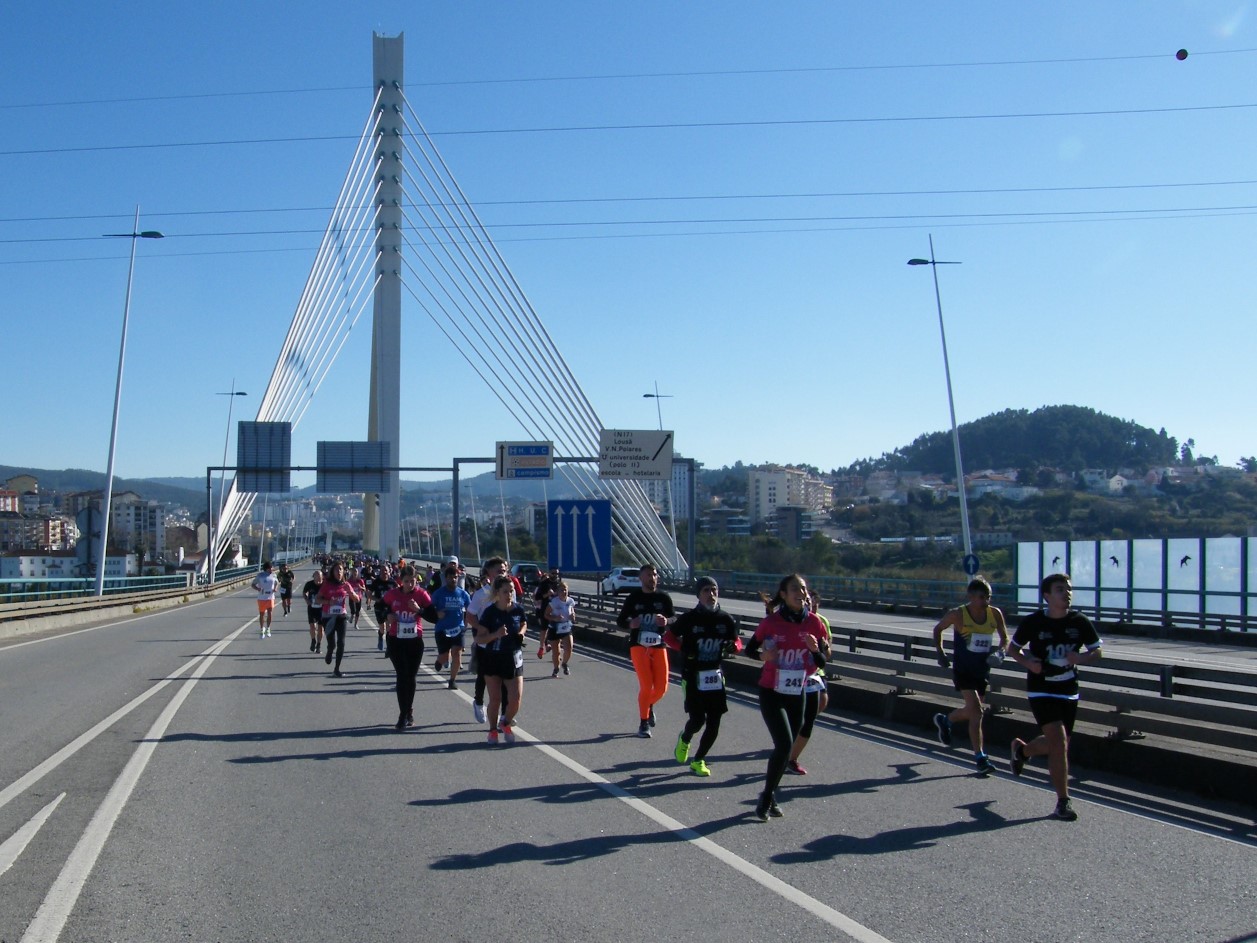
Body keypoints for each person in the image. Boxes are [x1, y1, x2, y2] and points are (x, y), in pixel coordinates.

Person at [1006, 573, 1102, 821]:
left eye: (1068, 589)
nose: (1066, 593)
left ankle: (1023, 752)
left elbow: (1097, 650)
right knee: (1059, 742)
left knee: (1058, 744)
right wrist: (1029, 664)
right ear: (1047, 596)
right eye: (1060, 589)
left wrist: (1081, 659)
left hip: (1068, 690)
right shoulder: (1034, 622)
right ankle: (1063, 802)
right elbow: (1012, 649)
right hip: (1041, 688)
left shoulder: (1079, 622)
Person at [744, 574, 829, 821]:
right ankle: (767, 798)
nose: (800, 592)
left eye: (803, 588)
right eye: (794, 588)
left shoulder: (814, 623)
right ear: (783, 594)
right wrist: (763, 657)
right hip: (772, 690)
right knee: (782, 745)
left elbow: (822, 661)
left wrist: (815, 650)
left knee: (786, 749)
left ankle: (768, 795)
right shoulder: (771, 623)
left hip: (797, 691)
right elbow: (750, 649)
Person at [930, 576, 1010, 775]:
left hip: (982, 670)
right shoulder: (958, 614)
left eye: (989, 597)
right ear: (971, 597)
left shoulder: (995, 614)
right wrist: (940, 653)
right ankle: (980, 757)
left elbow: (1005, 637)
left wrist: (1000, 652)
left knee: (973, 711)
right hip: (963, 669)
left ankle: (946, 720)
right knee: (977, 712)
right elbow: (938, 629)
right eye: (982, 597)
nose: (986, 601)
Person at [664, 577, 741, 777]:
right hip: (693, 676)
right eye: (706, 590)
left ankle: (699, 760)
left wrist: (735, 647)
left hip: (715, 676)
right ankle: (685, 738)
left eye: (714, 589)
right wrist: (684, 648)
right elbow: (668, 637)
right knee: (697, 720)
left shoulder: (725, 619)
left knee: (715, 721)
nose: (711, 594)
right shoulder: (689, 618)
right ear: (698, 594)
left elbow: (737, 642)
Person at [474, 575, 528, 745]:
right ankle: (492, 730)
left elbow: (524, 623)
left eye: (511, 590)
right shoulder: (490, 613)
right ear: (497, 593)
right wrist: (495, 635)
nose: (509, 594)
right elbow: (479, 639)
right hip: (493, 658)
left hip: (513, 658)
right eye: (505, 591)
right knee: (495, 699)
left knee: (516, 699)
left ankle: (504, 723)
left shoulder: (518, 610)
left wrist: (521, 633)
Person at [787, 589, 834, 776]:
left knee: (813, 714)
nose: (810, 605)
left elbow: (827, 654)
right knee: (795, 718)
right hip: (790, 675)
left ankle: (792, 758)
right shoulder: (787, 620)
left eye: (813, 603)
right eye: (807, 601)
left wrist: (821, 649)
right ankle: (786, 746)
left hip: (814, 674)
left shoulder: (820, 623)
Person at [381, 565, 432, 729]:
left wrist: (419, 610)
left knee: (411, 677)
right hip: (396, 639)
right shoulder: (392, 594)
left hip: (415, 641)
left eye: (413, 581)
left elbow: (434, 616)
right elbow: (379, 607)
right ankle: (403, 714)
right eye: (406, 581)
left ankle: (408, 710)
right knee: (401, 675)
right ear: (400, 581)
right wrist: (386, 615)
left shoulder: (421, 594)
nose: (410, 584)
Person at [466, 557, 509, 725]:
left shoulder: (508, 592)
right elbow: (469, 615)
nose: (502, 573)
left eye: (504, 570)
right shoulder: (481, 594)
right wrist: (481, 627)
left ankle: (505, 715)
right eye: (498, 570)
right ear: (488, 573)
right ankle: (478, 702)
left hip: (505, 644)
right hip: (486, 643)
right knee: (483, 676)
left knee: (506, 680)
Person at [429, 563, 472, 688]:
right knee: (444, 656)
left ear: (458, 578)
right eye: (450, 577)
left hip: (458, 628)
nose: (453, 580)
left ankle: (452, 680)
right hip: (442, 629)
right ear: (446, 578)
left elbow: (471, 609)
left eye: (455, 577)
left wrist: (469, 623)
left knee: (457, 653)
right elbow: (429, 609)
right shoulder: (438, 593)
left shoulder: (463, 594)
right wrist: (437, 613)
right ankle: (439, 661)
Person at [315, 560, 360, 678]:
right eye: (336, 569)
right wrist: (329, 602)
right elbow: (317, 600)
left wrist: (351, 593)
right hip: (328, 617)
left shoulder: (346, 584)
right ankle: (329, 652)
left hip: (341, 616)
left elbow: (357, 600)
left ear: (343, 571)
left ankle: (337, 669)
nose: (339, 572)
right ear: (332, 572)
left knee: (341, 643)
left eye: (341, 569)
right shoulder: (326, 584)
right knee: (332, 644)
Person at [538, 580, 576, 678]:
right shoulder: (554, 602)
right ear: (558, 592)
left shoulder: (570, 601)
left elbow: (572, 613)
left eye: (565, 590)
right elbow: (546, 615)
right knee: (556, 651)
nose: (564, 592)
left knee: (569, 647)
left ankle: (565, 663)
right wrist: (554, 618)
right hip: (555, 627)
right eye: (562, 590)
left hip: (566, 627)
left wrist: (573, 616)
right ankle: (556, 668)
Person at [251, 561, 279, 638]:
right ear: (267, 568)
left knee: (270, 613)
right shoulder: (260, 576)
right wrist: (258, 589)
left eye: (272, 568)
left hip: (270, 597)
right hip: (262, 598)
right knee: (262, 614)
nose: (272, 569)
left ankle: (268, 628)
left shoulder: (274, 575)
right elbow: (253, 584)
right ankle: (261, 630)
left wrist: (275, 588)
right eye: (271, 568)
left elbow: (277, 582)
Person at [302, 568, 324, 653]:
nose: (318, 577)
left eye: (319, 575)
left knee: (320, 628)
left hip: (322, 608)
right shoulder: (309, 584)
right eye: (316, 575)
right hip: (312, 608)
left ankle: (319, 644)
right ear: (313, 576)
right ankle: (313, 640)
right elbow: (304, 593)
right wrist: (307, 600)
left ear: (322, 577)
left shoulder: (324, 585)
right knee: (312, 626)